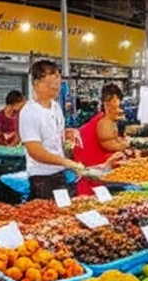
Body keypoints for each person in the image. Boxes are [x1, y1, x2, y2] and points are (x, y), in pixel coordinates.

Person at [20, 60, 84, 199]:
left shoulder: (55, 107)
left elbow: (55, 138)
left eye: (58, 78)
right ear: (37, 83)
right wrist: (66, 162)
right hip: (42, 178)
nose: (57, 83)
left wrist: (67, 134)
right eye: (52, 78)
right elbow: (35, 151)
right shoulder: (29, 112)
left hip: (59, 173)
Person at [75, 84, 128, 196]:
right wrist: (126, 145)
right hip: (94, 171)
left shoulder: (107, 119)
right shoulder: (105, 121)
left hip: (93, 169)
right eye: (115, 99)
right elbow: (108, 144)